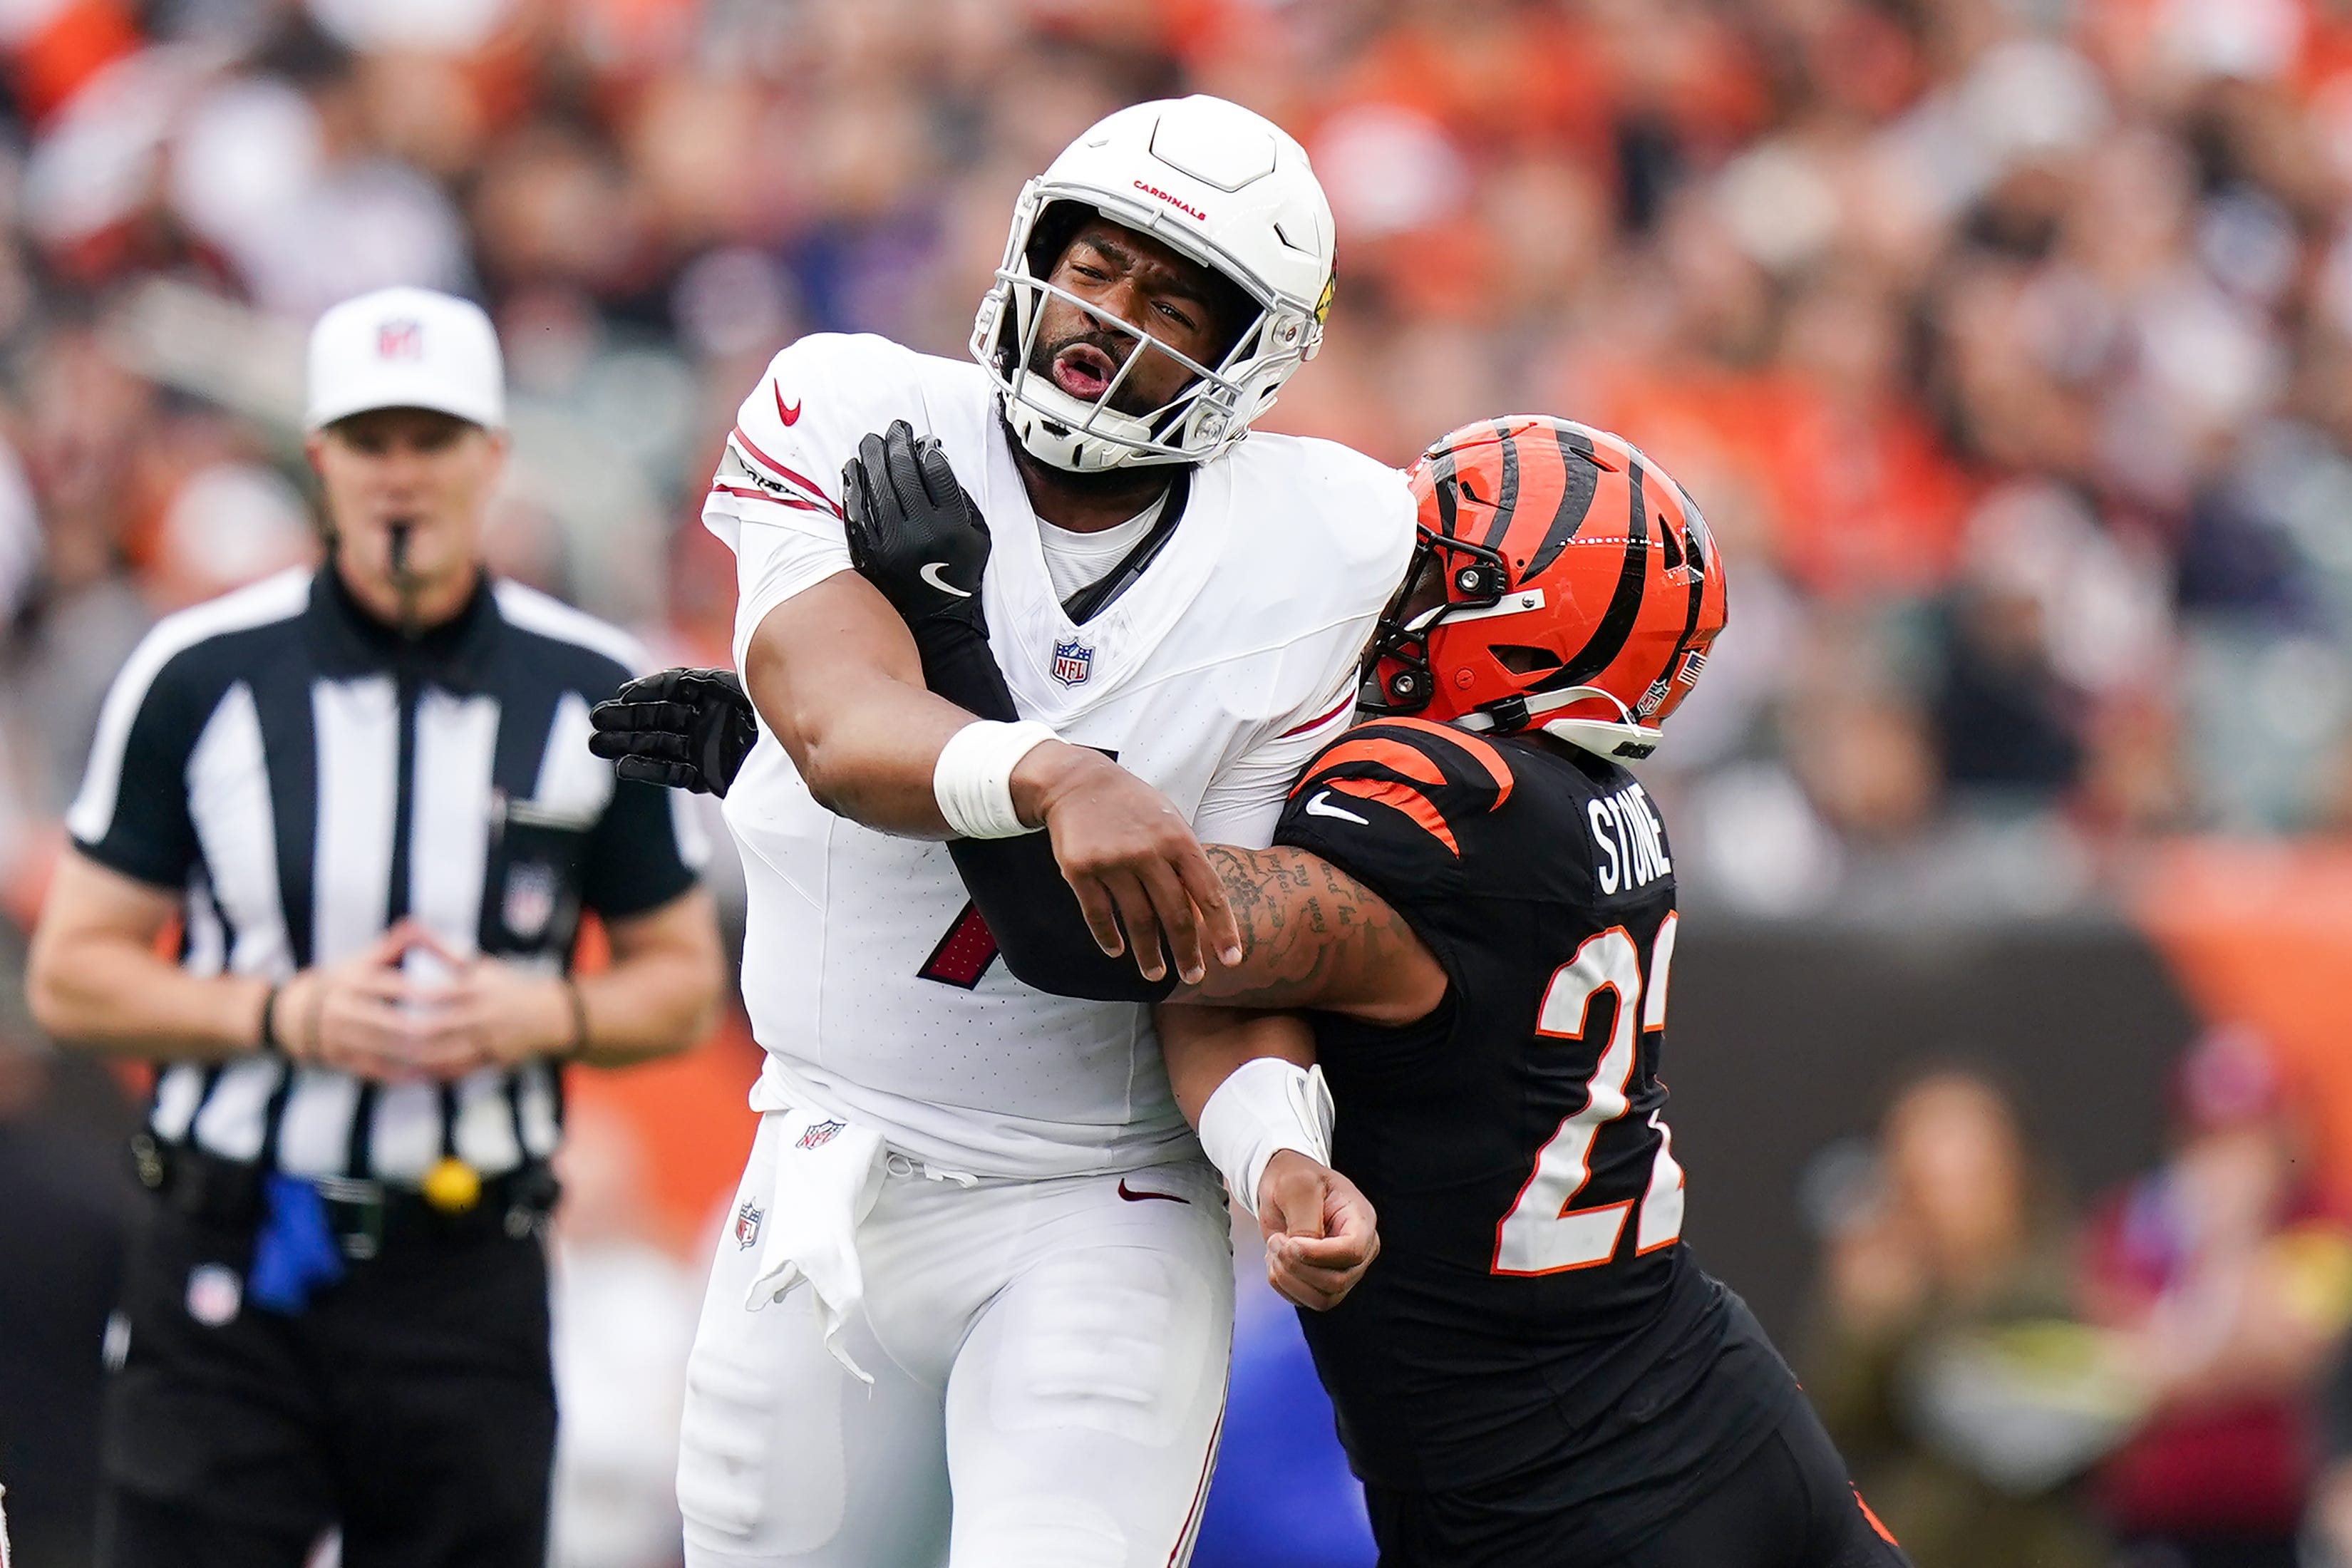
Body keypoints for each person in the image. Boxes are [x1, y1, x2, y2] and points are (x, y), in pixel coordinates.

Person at [603, 414, 1911, 1567]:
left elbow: (1089, 925)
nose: (1379, 604)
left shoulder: (1448, 805)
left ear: (1504, 630)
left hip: (1551, 1495)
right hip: (1712, 1403)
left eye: (1425, 583)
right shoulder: (1594, 813)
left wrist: (950, 636)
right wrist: (822, 774)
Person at [592, 95, 1408, 1567]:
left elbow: (1204, 961)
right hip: (832, 1153)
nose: (1108, 316)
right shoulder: (850, 403)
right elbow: (834, 719)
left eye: (1174, 300)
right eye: (1096, 265)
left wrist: (1279, 1150)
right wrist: (1053, 772)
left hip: (1096, 1193)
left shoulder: (1324, 544)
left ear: (1257, 356)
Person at [25, 284, 725, 1568]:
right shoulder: (199, 674)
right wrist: (283, 1014)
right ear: (319, 459)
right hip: (231, 1243)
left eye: (433, 439)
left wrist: (542, 1014)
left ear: (493, 459)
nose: (401, 475)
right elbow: (72, 976)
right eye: (371, 440)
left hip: (466, 1265)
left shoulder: (590, 689)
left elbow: (680, 984)